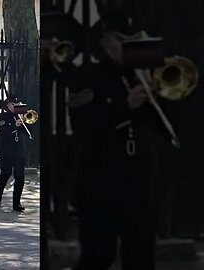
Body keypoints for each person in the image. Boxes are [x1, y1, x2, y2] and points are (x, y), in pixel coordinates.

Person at [69, 13, 166, 270]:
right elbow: (83, 124)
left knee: (142, 257)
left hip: (142, 183)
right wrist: (126, 105)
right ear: (105, 43)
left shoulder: (151, 76)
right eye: (120, 39)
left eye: (134, 40)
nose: (127, 46)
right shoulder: (88, 76)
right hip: (101, 183)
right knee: (98, 255)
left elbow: (167, 127)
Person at [0, 95, 27, 212]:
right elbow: (3, 132)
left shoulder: (23, 116)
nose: (15, 107)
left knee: (20, 177)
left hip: (19, 151)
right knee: (5, 174)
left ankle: (16, 203)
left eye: (17, 105)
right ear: (8, 105)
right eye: (13, 105)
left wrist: (24, 123)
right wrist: (14, 126)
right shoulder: (2, 117)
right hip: (7, 151)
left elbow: (29, 133)